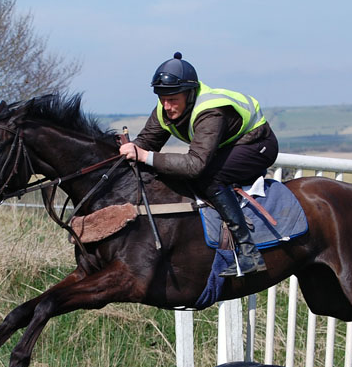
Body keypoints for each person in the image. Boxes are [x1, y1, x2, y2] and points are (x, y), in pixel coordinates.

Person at [119, 52, 279, 277]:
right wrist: (126, 151)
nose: (167, 106)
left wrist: (145, 156)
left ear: (190, 94)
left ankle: (248, 252)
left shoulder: (210, 111)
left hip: (257, 144)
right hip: (225, 146)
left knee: (210, 178)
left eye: (173, 99)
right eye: (162, 98)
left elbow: (195, 165)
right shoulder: (164, 108)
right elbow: (145, 143)